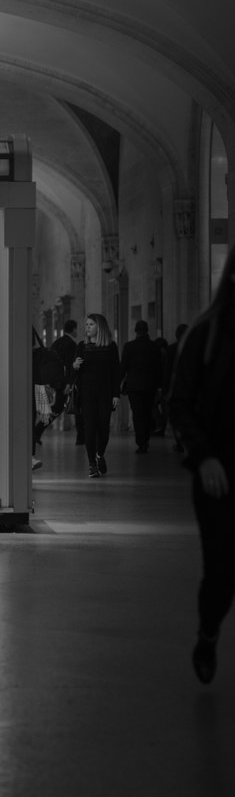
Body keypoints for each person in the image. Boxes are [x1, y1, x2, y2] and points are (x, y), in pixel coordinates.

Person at [168, 248, 235, 684]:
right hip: (219, 475)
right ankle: (208, 633)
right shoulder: (207, 333)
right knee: (221, 574)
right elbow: (179, 403)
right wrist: (205, 455)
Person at [73, 313, 120, 479]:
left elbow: (116, 372)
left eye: (91, 324)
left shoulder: (111, 346)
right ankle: (92, 464)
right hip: (87, 393)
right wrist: (75, 365)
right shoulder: (82, 346)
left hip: (105, 392)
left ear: (100, 327)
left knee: (104, 429)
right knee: (90, 429)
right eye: (86, 324)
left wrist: (116, 394)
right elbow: (75, 373)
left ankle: (100, 455)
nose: (87, 327)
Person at [119, 320, 163, 453]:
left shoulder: (129, 346)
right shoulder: (154, 346)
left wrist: (117, 383)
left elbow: (123, 367)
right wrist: (160, 386)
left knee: (137, 414)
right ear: (147, 330)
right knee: (147, 413)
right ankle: (146, 438)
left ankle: (141, 442)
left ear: (136, 331)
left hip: (134, 387)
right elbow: (159, 368)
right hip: (150, 386)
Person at [32, 330, 65, 470]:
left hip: (37, 382)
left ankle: (31, 452)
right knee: (33, 415)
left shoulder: (56, 343)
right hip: (39, 383)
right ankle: (31, 453)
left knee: (33, 415)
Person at [52, 320, 82, 442]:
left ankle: (81, 436)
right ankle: (81, 437)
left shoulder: (56, 343)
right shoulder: (71, 344)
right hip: (66, 383)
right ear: (74, 329)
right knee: (75, 407)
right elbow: (70, 365)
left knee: (59, 407)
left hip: (58, 381)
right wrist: (69, 383)